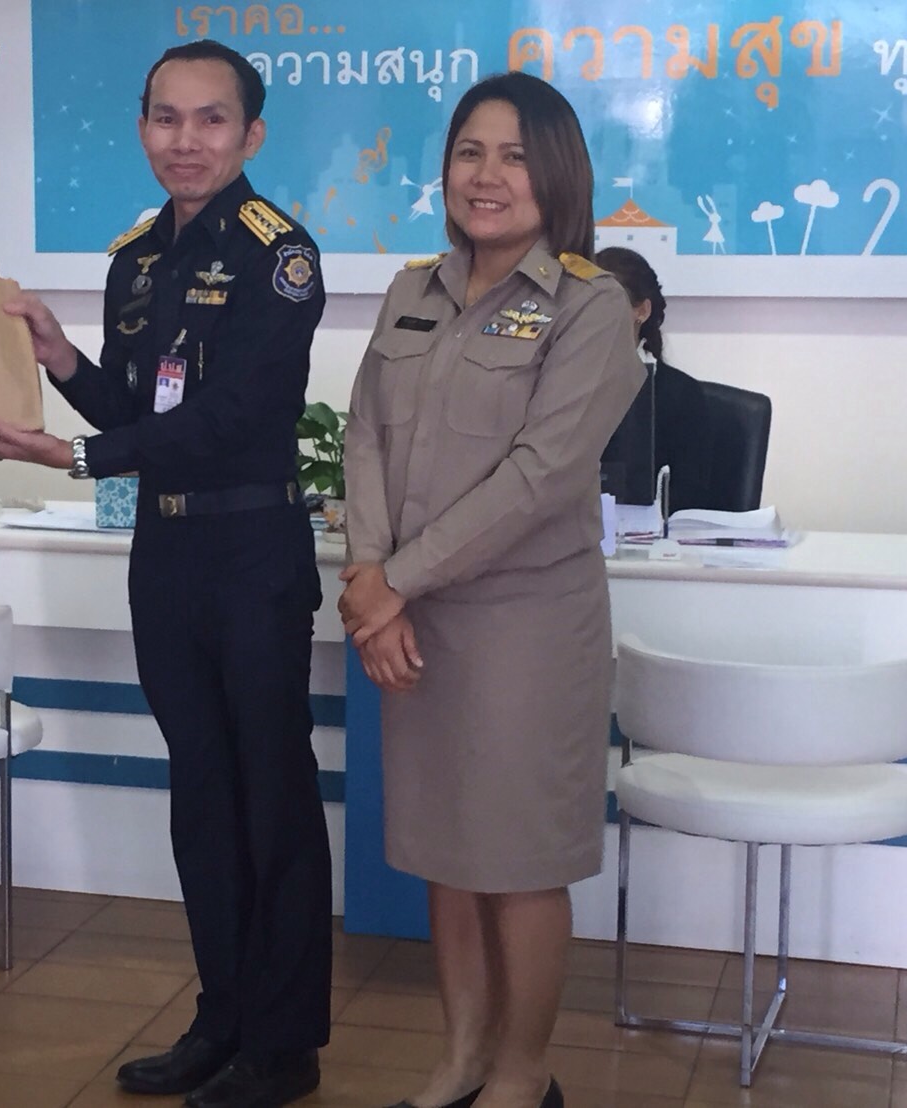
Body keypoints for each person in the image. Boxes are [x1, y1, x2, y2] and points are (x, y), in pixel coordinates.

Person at [0, 39, 331, 1108]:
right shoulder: (135, 259)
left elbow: (230, 420)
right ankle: (221, 1019)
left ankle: (282, 1046)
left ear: (251, 135)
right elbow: (139, 410)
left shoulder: (278, 256)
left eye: (211, 119)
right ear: (140, 128)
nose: (186, 140)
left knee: (270, 797)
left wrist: (73, 457)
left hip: (252, 554)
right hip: (165, 558)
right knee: (201, 794)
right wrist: (59, 358)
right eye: (166, 118)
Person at [338, 72, 644, 1108]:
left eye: (513, 156)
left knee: (517, 858)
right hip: (415, 617)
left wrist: (391, 583)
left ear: (555, 174)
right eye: (469, 151)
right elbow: (365, 436)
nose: (486, 175)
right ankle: (460, 1059)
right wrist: (369, 576)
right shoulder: (412, 291)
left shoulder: (590, 308)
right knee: (447, 851)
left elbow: (538, 478)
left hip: (525, 625)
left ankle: (521, 1073)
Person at [597, 246, 715, 512]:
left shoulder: (681, 395)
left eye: (606, 305)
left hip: (651, 533)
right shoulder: (559, 385)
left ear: (641, 311)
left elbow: (689, 494)